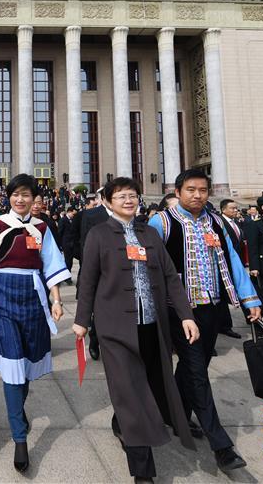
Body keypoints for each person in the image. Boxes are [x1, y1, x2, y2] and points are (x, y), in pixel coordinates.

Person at [74, 177, 199, 481]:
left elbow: (171, 277)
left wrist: (185, 315)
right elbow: (87, 281)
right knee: (130, 394)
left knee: (150, 387)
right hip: (115, 328)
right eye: (121, 197)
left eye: (132, 196)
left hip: (152, 325)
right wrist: (81, 321)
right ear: (107, 202)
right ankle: (142, 470)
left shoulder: (149, 233)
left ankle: (121, 424)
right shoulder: (99, 234)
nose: (128, 201)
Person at [148, 169, 260, 473]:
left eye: (203, 190)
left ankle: (175, 414)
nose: (197, 195)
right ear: (179, 190)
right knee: (197, 372)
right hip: (179, 311)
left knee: (192, 366)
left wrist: (250, 299)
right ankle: (221, 445)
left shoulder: (214, 222)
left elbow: (232, 261)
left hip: (211, 307)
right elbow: (145, 265)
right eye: (191, 190)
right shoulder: (162, 222)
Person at [0, 173, 71, 473]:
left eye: (26, 194)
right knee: (12, 363)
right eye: (15, 194)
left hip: (34, 298)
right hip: (3, 296)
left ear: (34, 198)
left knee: (26, 363)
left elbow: (52, 264)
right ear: (8, 197)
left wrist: (55, 300)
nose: (20, 199)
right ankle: (19, 437)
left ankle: (18, 412)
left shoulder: (42, 227)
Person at [78, 189, 110, 360]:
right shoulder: (92, 215)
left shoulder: (130, 217)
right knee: (99, 311)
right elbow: (84, 242)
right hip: (99, 271)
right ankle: (95, 340)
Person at [215, 199, 245, 340]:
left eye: (236, 208)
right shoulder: (218, 222)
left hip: (236, 263)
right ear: (223, 209)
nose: (235, 210)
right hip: (223, 264)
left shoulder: (237, 222)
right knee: (221, 298)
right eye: (232, 208)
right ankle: (222, 326)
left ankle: (226, 325)